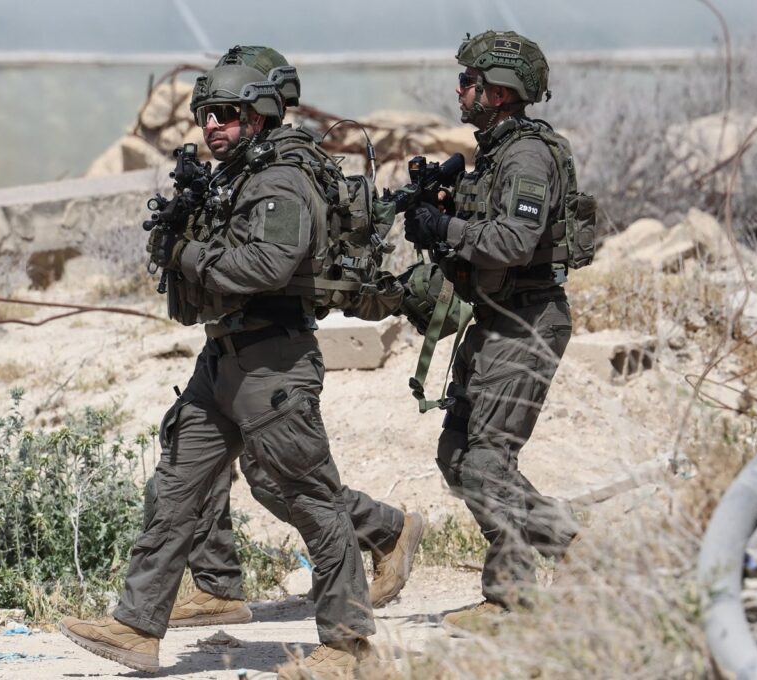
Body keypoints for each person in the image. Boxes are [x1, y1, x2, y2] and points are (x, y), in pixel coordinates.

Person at [59, 46, 413, 679]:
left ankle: (351, 644)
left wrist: (186, 254)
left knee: (308, 497)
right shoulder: (238, 173)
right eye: (205, 115)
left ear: (259, 114)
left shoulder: (280, 178)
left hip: (273, 362)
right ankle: (137, 626)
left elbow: (268, 266)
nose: (212, 125)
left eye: (225, 113)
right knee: (176, 487)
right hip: (223, 357)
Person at [402, 30, 584, 626]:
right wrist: (441, 216)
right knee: (458, 455)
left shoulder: (527, 154)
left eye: (468, 82)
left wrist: (445, 231)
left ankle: (513, 599)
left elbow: (512, 241)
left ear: (499, 92)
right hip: (499, 318)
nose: (460, 90)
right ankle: (580, 552)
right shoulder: (499, 149)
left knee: (486, 463)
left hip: (528, 322)